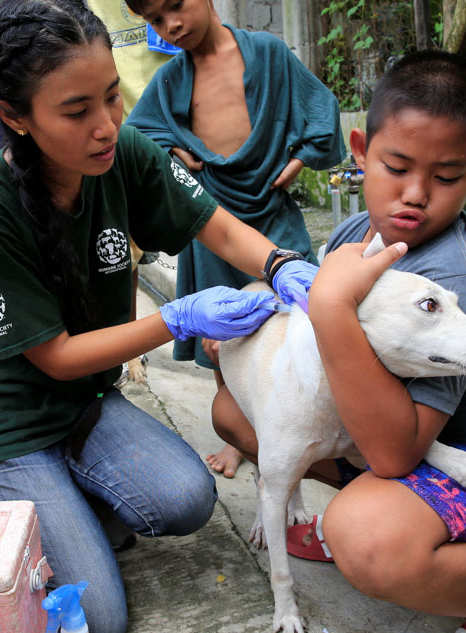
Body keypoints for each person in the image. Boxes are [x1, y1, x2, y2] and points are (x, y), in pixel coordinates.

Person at [0, 2, 318, 632]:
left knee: (189, 499)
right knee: (100, 618)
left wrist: (279, 264)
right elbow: (54, 356)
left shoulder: (123, 154)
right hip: (0, 424)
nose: (107, 125)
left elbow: (213, 224)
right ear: (13, 117)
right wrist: (180, 318)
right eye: (77, 110)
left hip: (82, 407)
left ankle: (67, 496)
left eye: (111, 97)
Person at [213, 51, 466, 633]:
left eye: (446, 177)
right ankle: (387, 513)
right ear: (359, 152)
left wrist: (328, 305)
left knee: (367, 539)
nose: (415, 194)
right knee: (234, 412)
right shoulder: (359, 232)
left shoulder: (456, 283)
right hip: (402, 432)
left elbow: (393, 452)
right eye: (396, 167)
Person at [125, 0, 346, 478]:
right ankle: (239, 429)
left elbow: (321, 109)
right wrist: (173, 150)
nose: (172, 25)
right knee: (221, 328)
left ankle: (302, 419)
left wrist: (301, 158)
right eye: (156, 21)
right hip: (211, 220)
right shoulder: (169, 81)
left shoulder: (267, 53)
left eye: (175, 7)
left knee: (301, 315)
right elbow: (136, 137)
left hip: (272, 210)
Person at [0, 0, 173, 164]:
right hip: (7, 92)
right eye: (77, 113)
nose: (107, 129)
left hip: (73, 78)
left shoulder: (128, 142)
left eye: (112, 97)